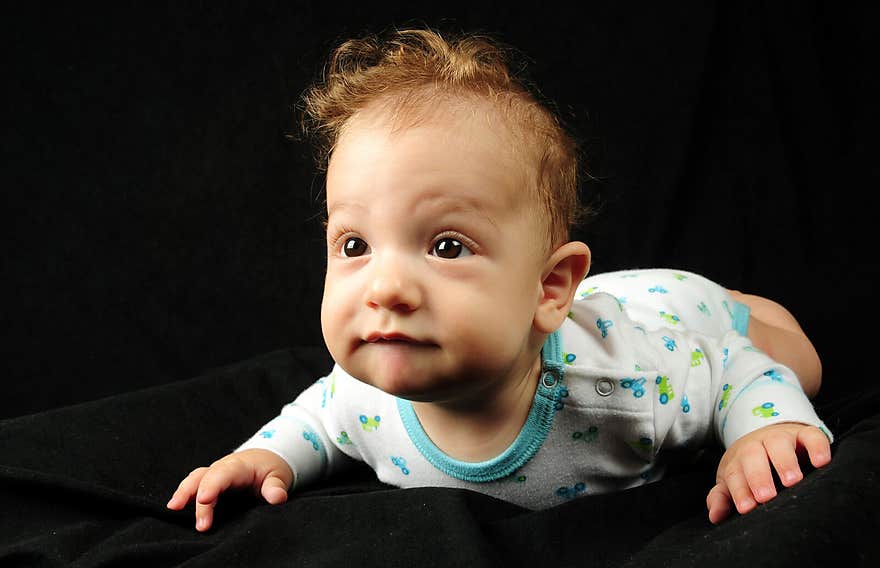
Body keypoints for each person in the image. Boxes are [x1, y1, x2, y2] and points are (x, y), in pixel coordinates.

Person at [167, 27, 831, 531]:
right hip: (590, 303)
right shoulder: (363, 395)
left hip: (674, 314)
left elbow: (731, 368)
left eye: (447, 245)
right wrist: (265, 458)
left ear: (548, 287)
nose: (385, 288)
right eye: (355, 244)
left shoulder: (629, 388)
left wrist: (757, 432)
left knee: (800, 365)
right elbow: (314, 420)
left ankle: (743, 302)